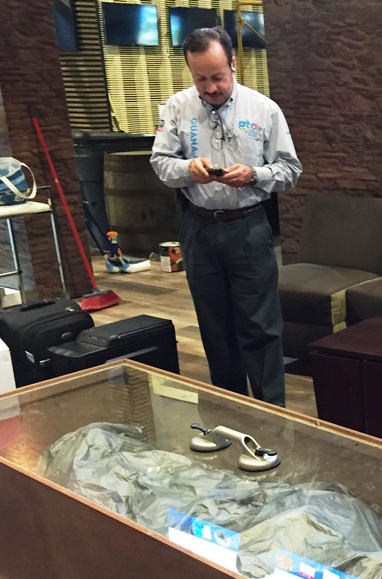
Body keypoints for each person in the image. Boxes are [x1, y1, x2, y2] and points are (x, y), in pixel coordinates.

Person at [151, 27, 301, 406]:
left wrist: (254, 175)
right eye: (200, 78)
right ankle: (230, 413)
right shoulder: (176, 108)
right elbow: (160, 163)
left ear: (232, 63)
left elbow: (289, 170)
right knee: (215, 329)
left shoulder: (264, 109)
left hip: (248, 227)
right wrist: (187, 169)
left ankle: (272, 416)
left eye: (218, 77)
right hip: (198, 229)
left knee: (261, 329)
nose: (211, 87)